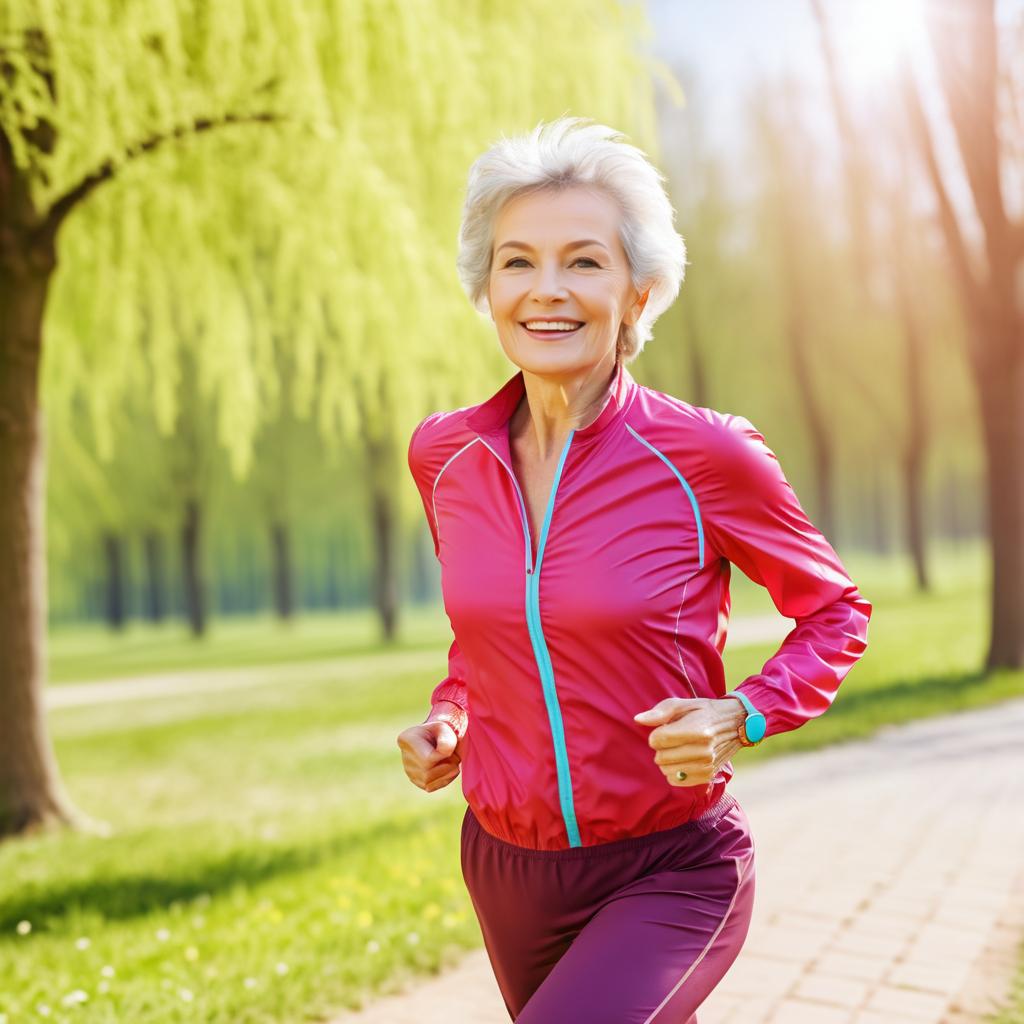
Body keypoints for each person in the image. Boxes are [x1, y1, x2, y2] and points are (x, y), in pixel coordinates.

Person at [397, 116, 872, 1023]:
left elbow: (836, 613)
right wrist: (449, 719)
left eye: (583, 261)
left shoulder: (705, 455)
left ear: (639, 293)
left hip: (672, 866)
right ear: (485, 287)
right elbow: (486, 638)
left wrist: (744, 711)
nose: (547, 291)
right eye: (517, 262)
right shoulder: (443, 457)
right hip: (505, 868)